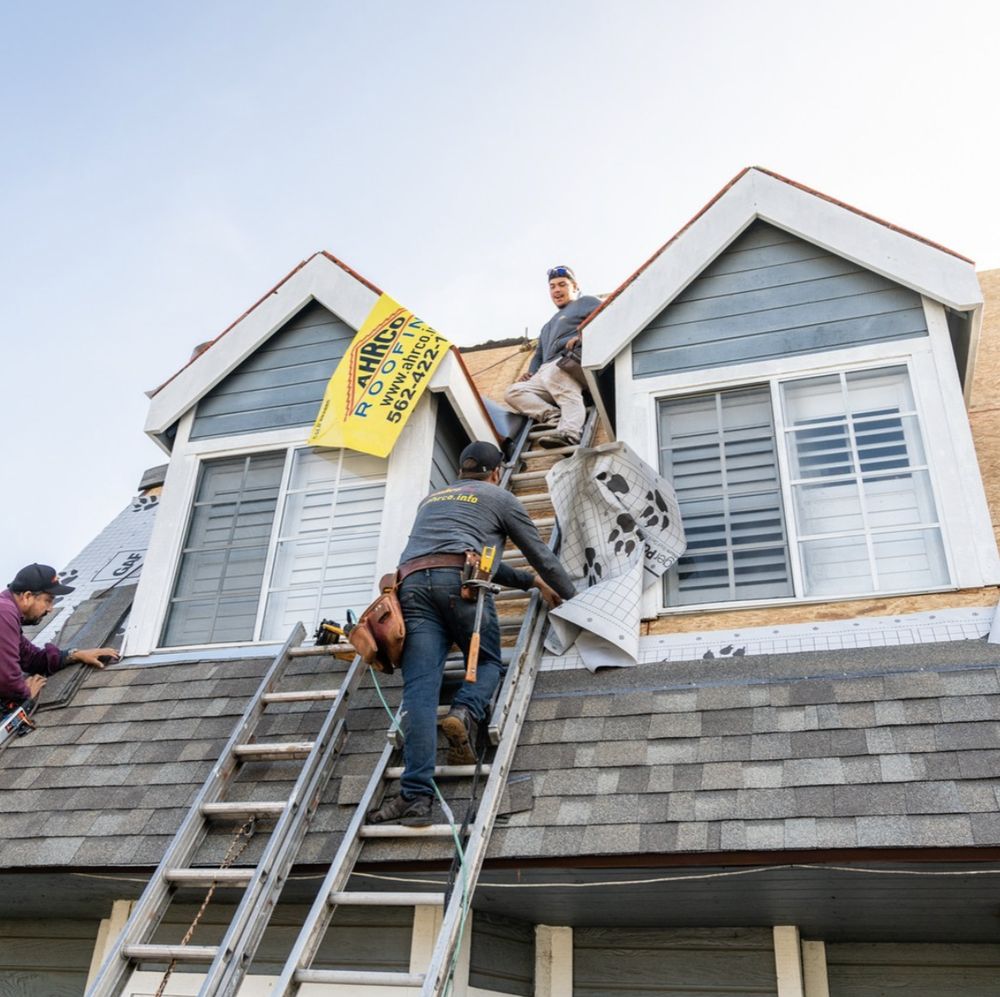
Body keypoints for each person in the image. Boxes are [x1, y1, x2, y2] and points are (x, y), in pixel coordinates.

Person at [367, 441, 576, 826]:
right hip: (461, 585)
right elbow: (541, 555)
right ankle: (465, 710)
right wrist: (576, 599)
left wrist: (527, 582)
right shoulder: (499, 497)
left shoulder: (430, 501)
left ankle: (415, 797)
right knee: (490, 663)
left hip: (410, 588)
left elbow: (457, 555)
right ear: (496, 473)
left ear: (462, 471)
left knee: (419, 693)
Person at [504, 265, 602, 449]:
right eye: (552, 286)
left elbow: (607, 317)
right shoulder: (547, 325)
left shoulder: (586, 302)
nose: (556, 290)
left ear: (574, 287)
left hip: (568, 362)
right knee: (513, 391)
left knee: (555, 378)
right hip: (545, 370)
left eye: (562, 285)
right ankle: (553, 416)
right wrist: (531, 372)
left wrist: (582, 336)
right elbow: (539, 354)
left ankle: (570, 433)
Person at [0, 563, 119, 708]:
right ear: (27, 596)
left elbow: (31, 658)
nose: (50, 609)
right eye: (48, 600)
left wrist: (74, 655)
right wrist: (24, 694)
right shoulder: (4, 612)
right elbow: (5, 676)